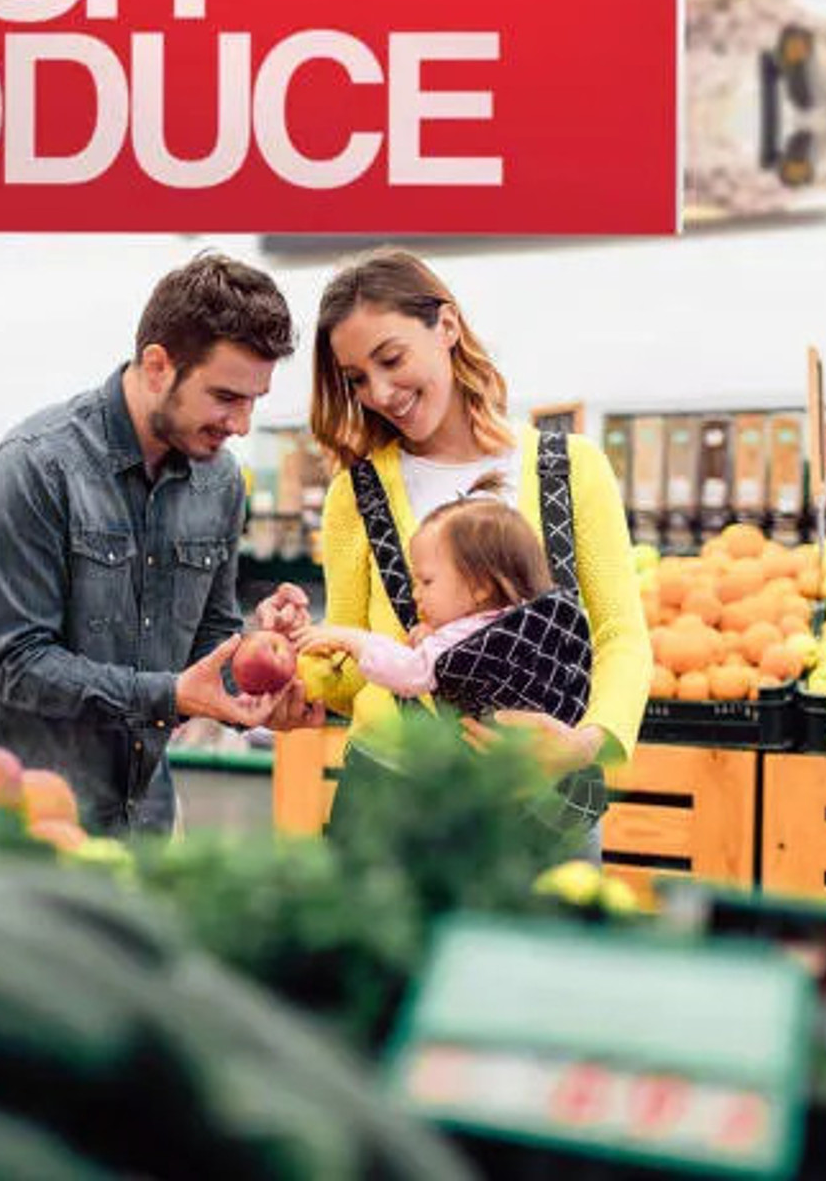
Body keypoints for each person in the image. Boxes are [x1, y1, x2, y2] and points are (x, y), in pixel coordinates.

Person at [259, 248, 651, 833]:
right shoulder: (355, 494)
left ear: (446, 326)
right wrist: (290, 661)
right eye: (358, 379)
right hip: (390, 801)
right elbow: (348, 672)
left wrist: (586, 743)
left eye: (392, 359)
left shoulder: (570, 469)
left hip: (541, 799)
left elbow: (619, 635)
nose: (382, 392)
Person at [0, 252, 322, 836]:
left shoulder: (220, 481)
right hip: (22, 822)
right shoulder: (37, 466)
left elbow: (207, 639)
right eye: (226, 397)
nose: (242, 424)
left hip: (145, 816)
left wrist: (256, 662)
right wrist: (171, 693)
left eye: (254, 400)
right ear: (158, 366)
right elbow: (18, 666)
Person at [292, 472, 573, 700]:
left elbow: (411, 672)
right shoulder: (521, 624)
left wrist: (353, 640)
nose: (416, 593)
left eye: (427, 581)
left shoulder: (466, 637)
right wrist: (434, 641)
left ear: (480, 587)